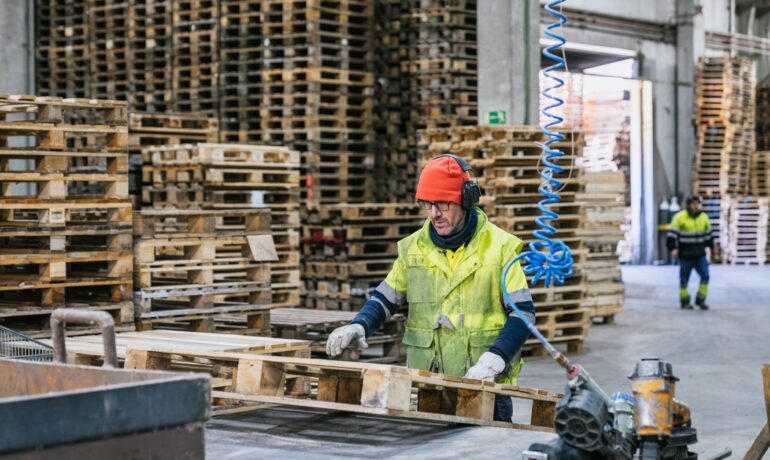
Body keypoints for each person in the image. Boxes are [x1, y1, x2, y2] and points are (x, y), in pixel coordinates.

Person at [325, 154, 535, 422]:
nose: (434, 214)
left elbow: (523, 313)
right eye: (427, 204)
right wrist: (359, 325)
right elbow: (386, 298)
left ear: (466, 199)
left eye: (443, 204)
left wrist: (496, 358)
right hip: (427, 388)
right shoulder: (414, 248)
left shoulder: (500, 248)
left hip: (484, 386)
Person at [666, 195, 716, 310]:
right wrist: (672, 249)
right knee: (684, 279)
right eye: (693, 204)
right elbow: (671, 237)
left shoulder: (704, 218)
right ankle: (684, 301)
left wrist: (712, 249)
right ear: (688, 205)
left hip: (700, 255)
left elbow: (709, 237)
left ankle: (700, 299)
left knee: (705, 276)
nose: (696, 206)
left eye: (697, 204)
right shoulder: (679, 218)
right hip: (685, 255)